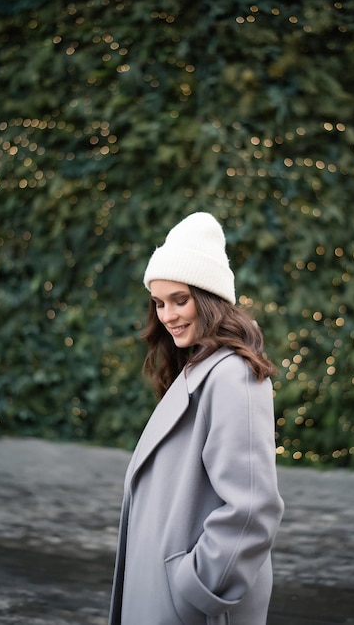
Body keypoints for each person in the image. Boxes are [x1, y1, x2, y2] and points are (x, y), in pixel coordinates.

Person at [108, 212, 284, 625]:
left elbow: (252, 506)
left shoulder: (233, 374)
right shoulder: (198, 369)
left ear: (208, 297)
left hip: (193, 606)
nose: (167, 315)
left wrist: (197, 587)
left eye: (180, 300)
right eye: (159, 303)